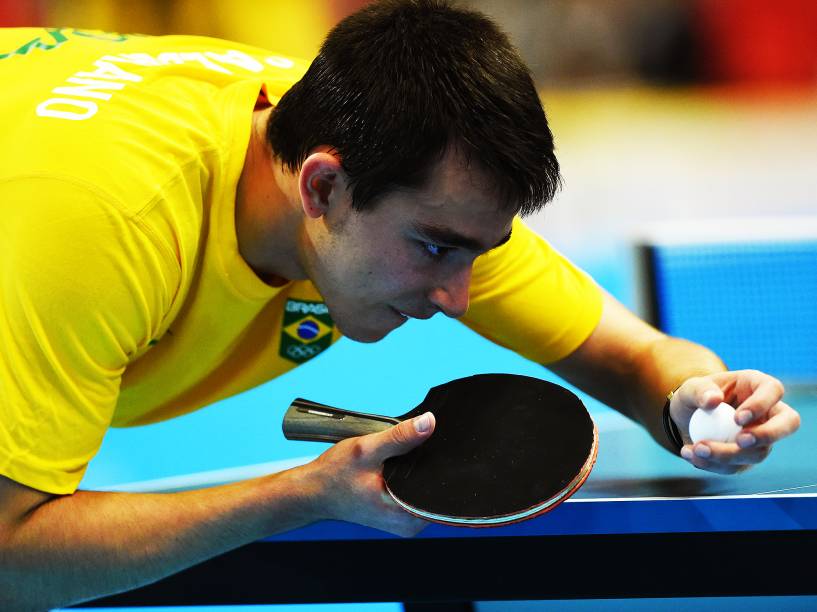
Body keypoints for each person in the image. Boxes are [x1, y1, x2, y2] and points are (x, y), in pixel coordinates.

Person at [0, 1, 800, 608]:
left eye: (476, 253)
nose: (457, 296)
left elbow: (631, 357)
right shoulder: (93, 235)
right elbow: (9, 560)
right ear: (320, 186)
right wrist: (296, 496)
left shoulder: (402, 164)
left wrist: (697, 397)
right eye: (435, 249)